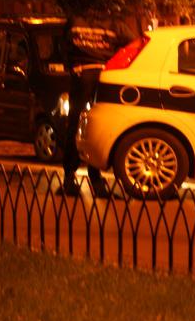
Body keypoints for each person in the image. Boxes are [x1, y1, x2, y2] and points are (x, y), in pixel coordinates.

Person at [57, 12, 137, 197]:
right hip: (105, 76)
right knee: (98, 126)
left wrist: (71, 66)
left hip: (81, 74)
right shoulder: (116, 25)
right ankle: (96, 180)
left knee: (75, 124)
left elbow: (62, 47)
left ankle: (69, 178)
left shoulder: (74, 21)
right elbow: (134, 46)